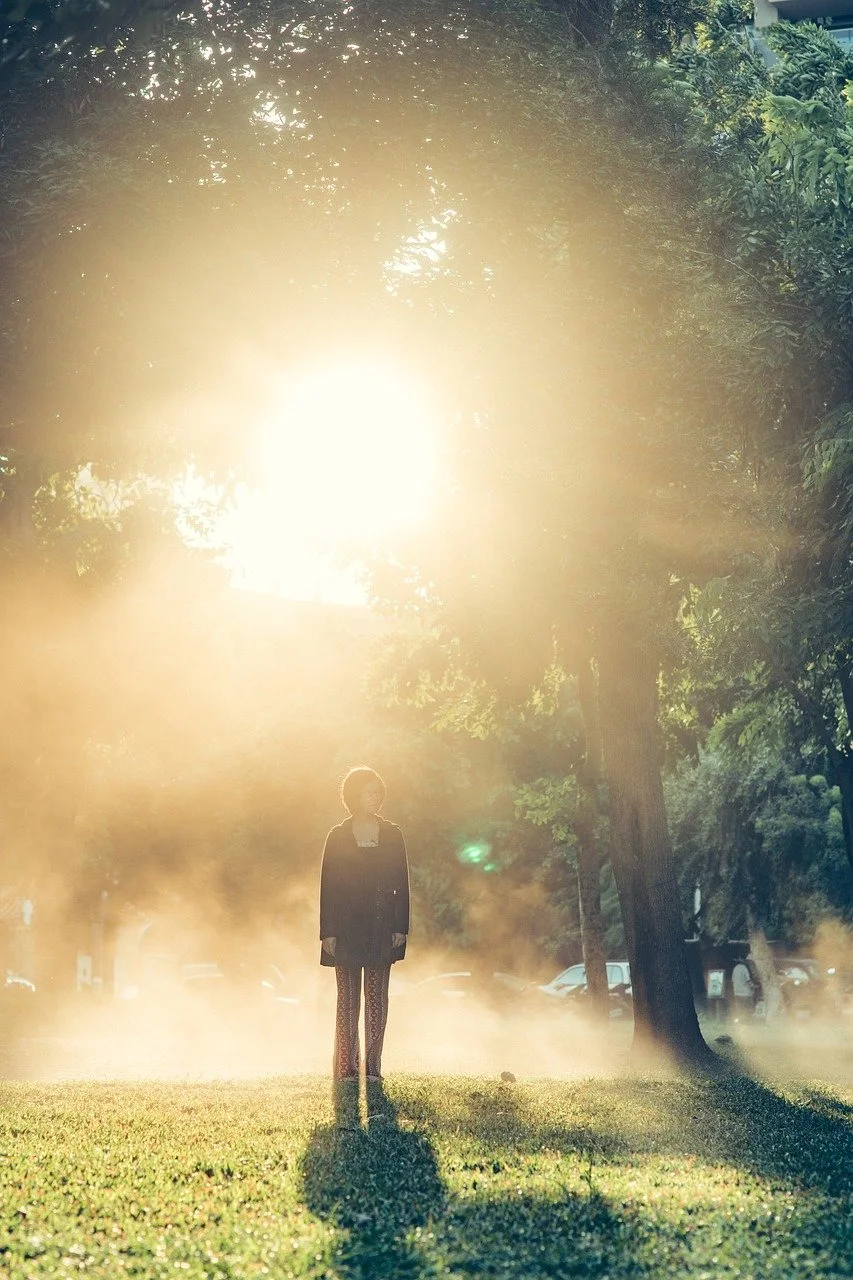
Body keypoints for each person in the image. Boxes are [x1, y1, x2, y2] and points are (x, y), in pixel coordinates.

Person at [319, 766, 409, 1082]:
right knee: (347, 1001)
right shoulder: (337, 835)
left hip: (382, 925)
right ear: (353, 796)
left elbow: (402, 882)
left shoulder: (394, 835)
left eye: (377, 792)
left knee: (377, 1000)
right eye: (368, 792)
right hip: (344, 927)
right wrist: (327, 930)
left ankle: (372, 1069)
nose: (374, 798)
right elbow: (327, 885)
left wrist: (402, 927)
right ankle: (346, 1068)